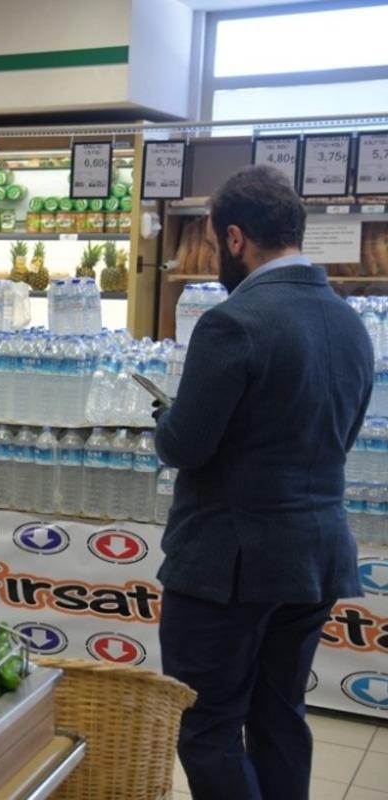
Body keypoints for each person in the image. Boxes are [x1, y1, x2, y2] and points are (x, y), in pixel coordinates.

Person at [154, 165, 373, 800]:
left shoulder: (233, 322)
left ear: (235, 237)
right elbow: (340, 434)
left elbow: (187, 445)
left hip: (229, 564)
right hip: (315, 556)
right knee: (281, 719)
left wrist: (165, 419)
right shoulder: (350, 324)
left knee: (208, 726)